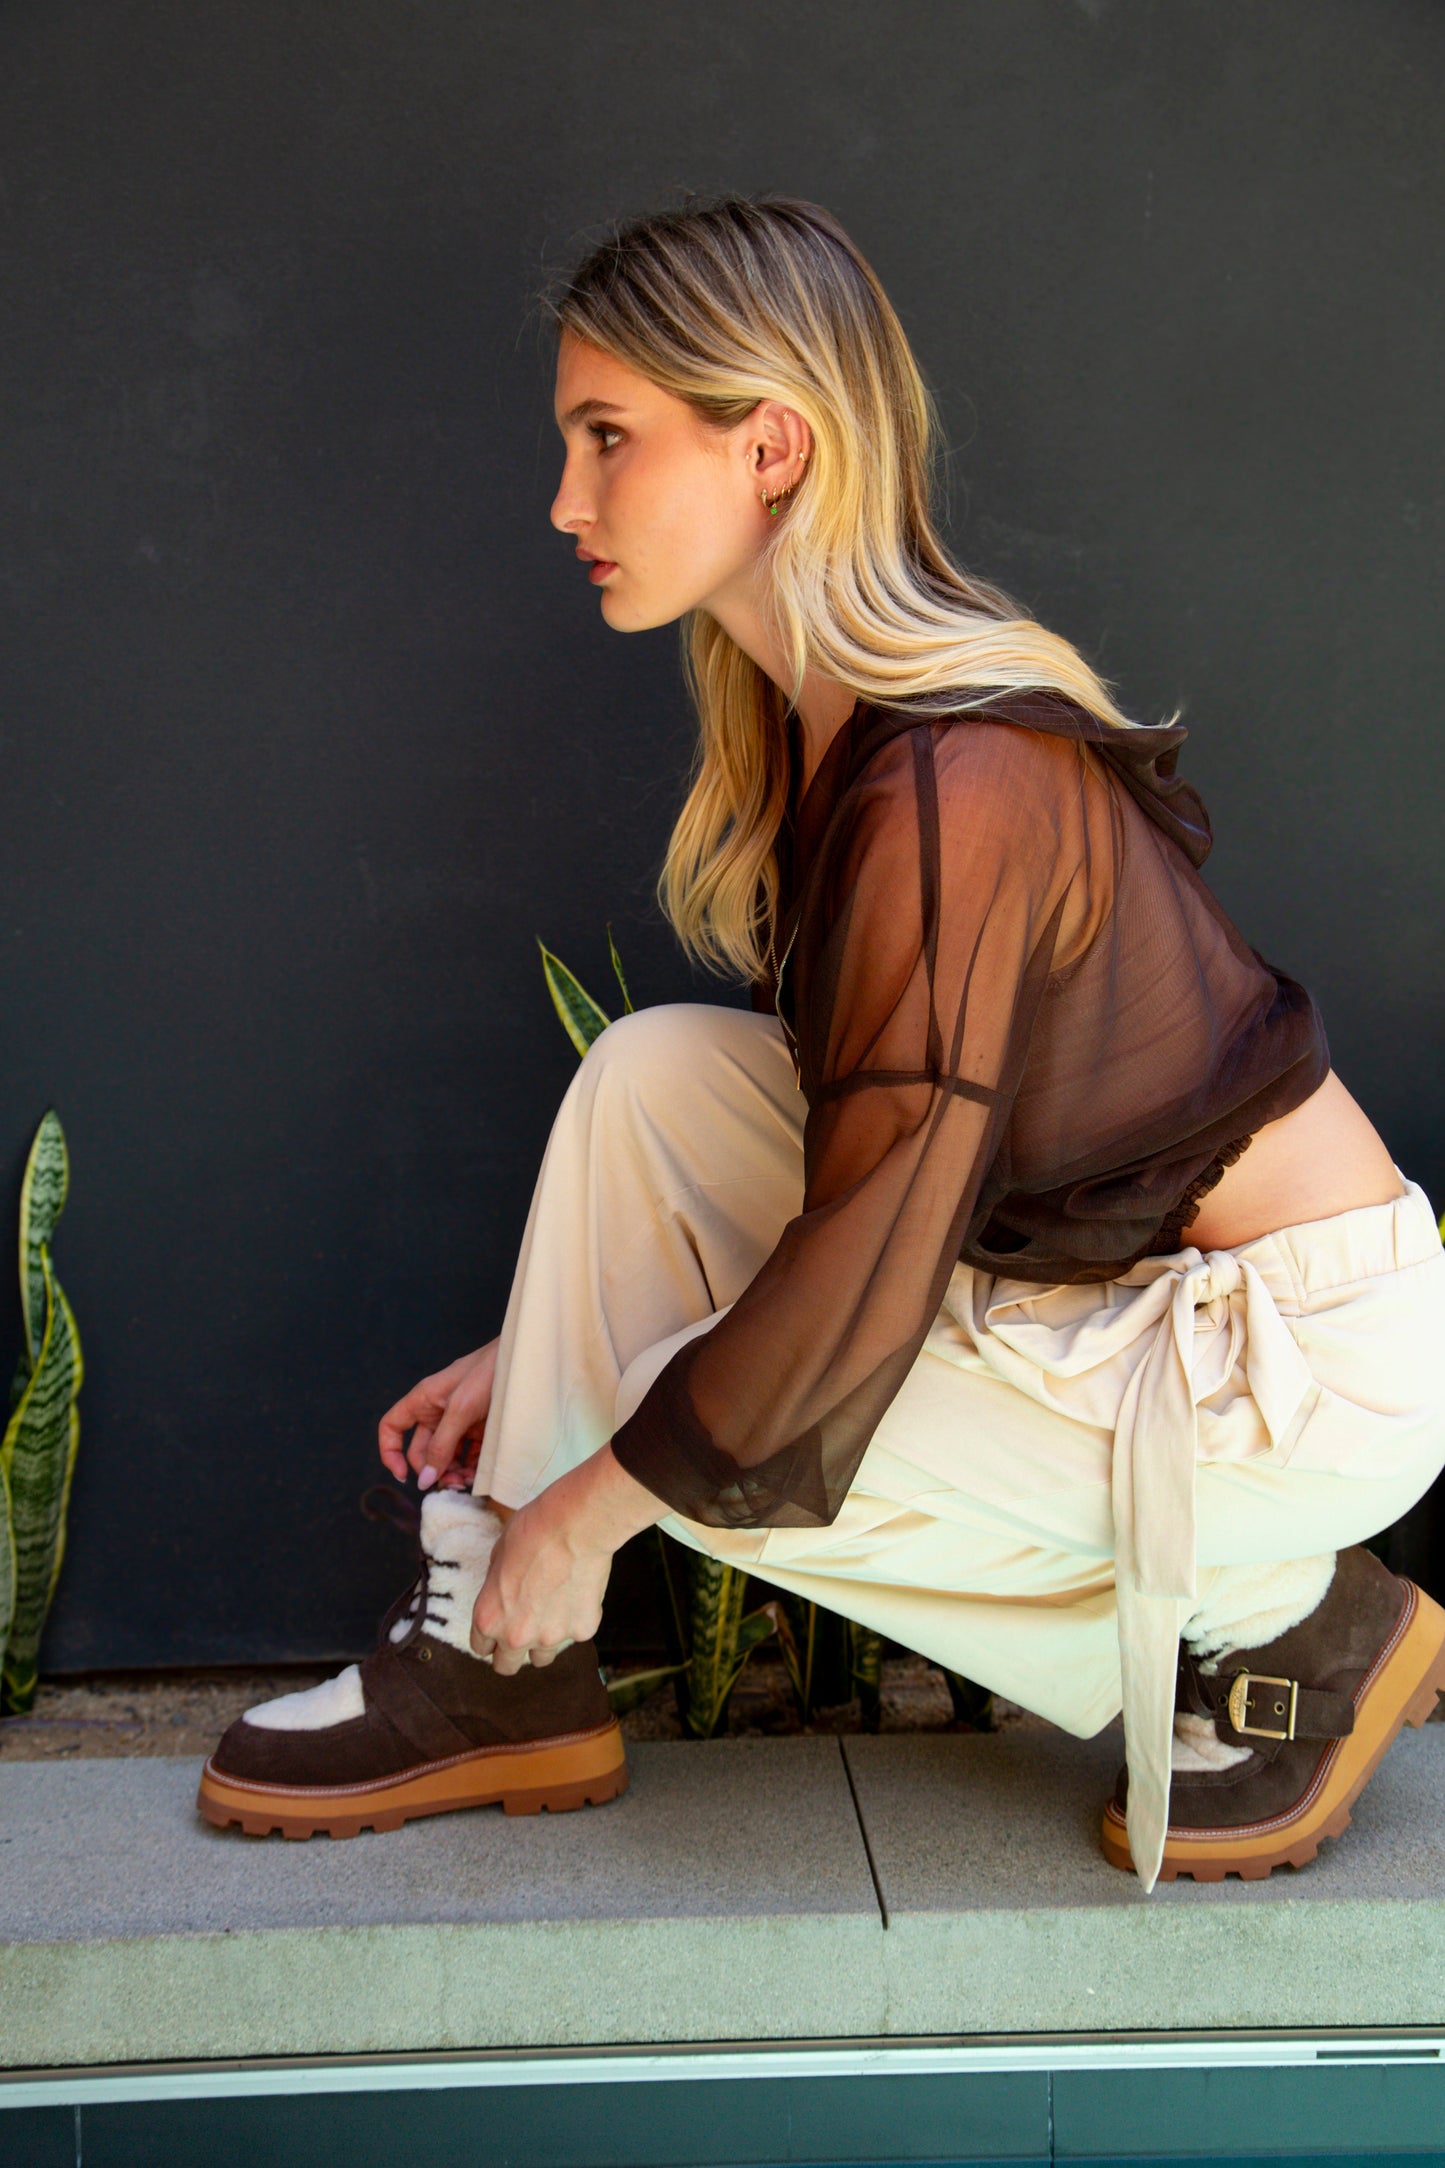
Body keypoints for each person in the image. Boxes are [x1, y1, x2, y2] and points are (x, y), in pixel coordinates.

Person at [198, 194, 1445, 1892]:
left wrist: (582, 1489)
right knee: (650, 1076)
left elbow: (863, 1265)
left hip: (1283, 1372)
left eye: (609, 438)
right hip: (1097, 1299)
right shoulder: (824, 727)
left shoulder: (949, 776)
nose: (566, 499)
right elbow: (881, 1178)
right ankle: (506, 1677)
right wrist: (548, 1352)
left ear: (771, 448)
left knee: (717, 1427)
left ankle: (1290, 1611)